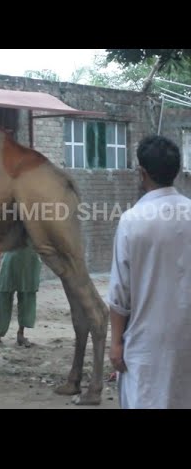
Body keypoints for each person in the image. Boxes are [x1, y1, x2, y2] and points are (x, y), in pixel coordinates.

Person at [106, 134, 191, 409]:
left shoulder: (132, 221)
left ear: (142, 173)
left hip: (145, 348)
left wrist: (116, 343)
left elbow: (120, 294)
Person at [0, 243, 41, 348]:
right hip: (10, 254)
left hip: (30, 256)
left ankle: (21, 334)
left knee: (27, 296)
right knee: (3, 293)